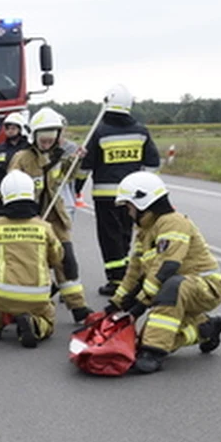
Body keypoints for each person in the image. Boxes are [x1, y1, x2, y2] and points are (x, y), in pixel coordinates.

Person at [104, 171, 221, 374]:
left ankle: (154, 353)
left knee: (171, 287)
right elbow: (133, 273)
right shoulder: (144, 233)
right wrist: (115, 304)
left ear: (142, 202)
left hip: (206, 287)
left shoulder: (173, 222)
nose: (127, 212)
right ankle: (205, 329)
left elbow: (168, 266)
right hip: (176, 290)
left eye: (128, 206)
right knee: (150, 337)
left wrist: (140, 304)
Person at [8, 107, 93, 323]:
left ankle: (78, 308)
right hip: (30, 220)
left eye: (50, 141)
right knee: (33, 266)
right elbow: (11, 186)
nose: (46, 144)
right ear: (34, 137)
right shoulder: (22, 159)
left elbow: (68, 176)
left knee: (67, 262)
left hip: (55, 219)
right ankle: (27, 307)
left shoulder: (59, 157)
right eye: (42, 141)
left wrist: (77, 160)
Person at [0, 170, 64, 348]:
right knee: (48, 319)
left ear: (4, 196)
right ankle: (35, 324)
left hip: (3, 294)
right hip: (38, 296)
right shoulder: (44, 227)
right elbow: (57, 257)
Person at [80, 84, 162, 296]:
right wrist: (145, 187)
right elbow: (153, 163)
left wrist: (76, 189)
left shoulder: (99, 132)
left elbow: (85, 166)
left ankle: (117, 280)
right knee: (126, 235)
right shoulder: (140, 132)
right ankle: (130, 277)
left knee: (109, 238)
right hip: (133, 198)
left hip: (105, 196)